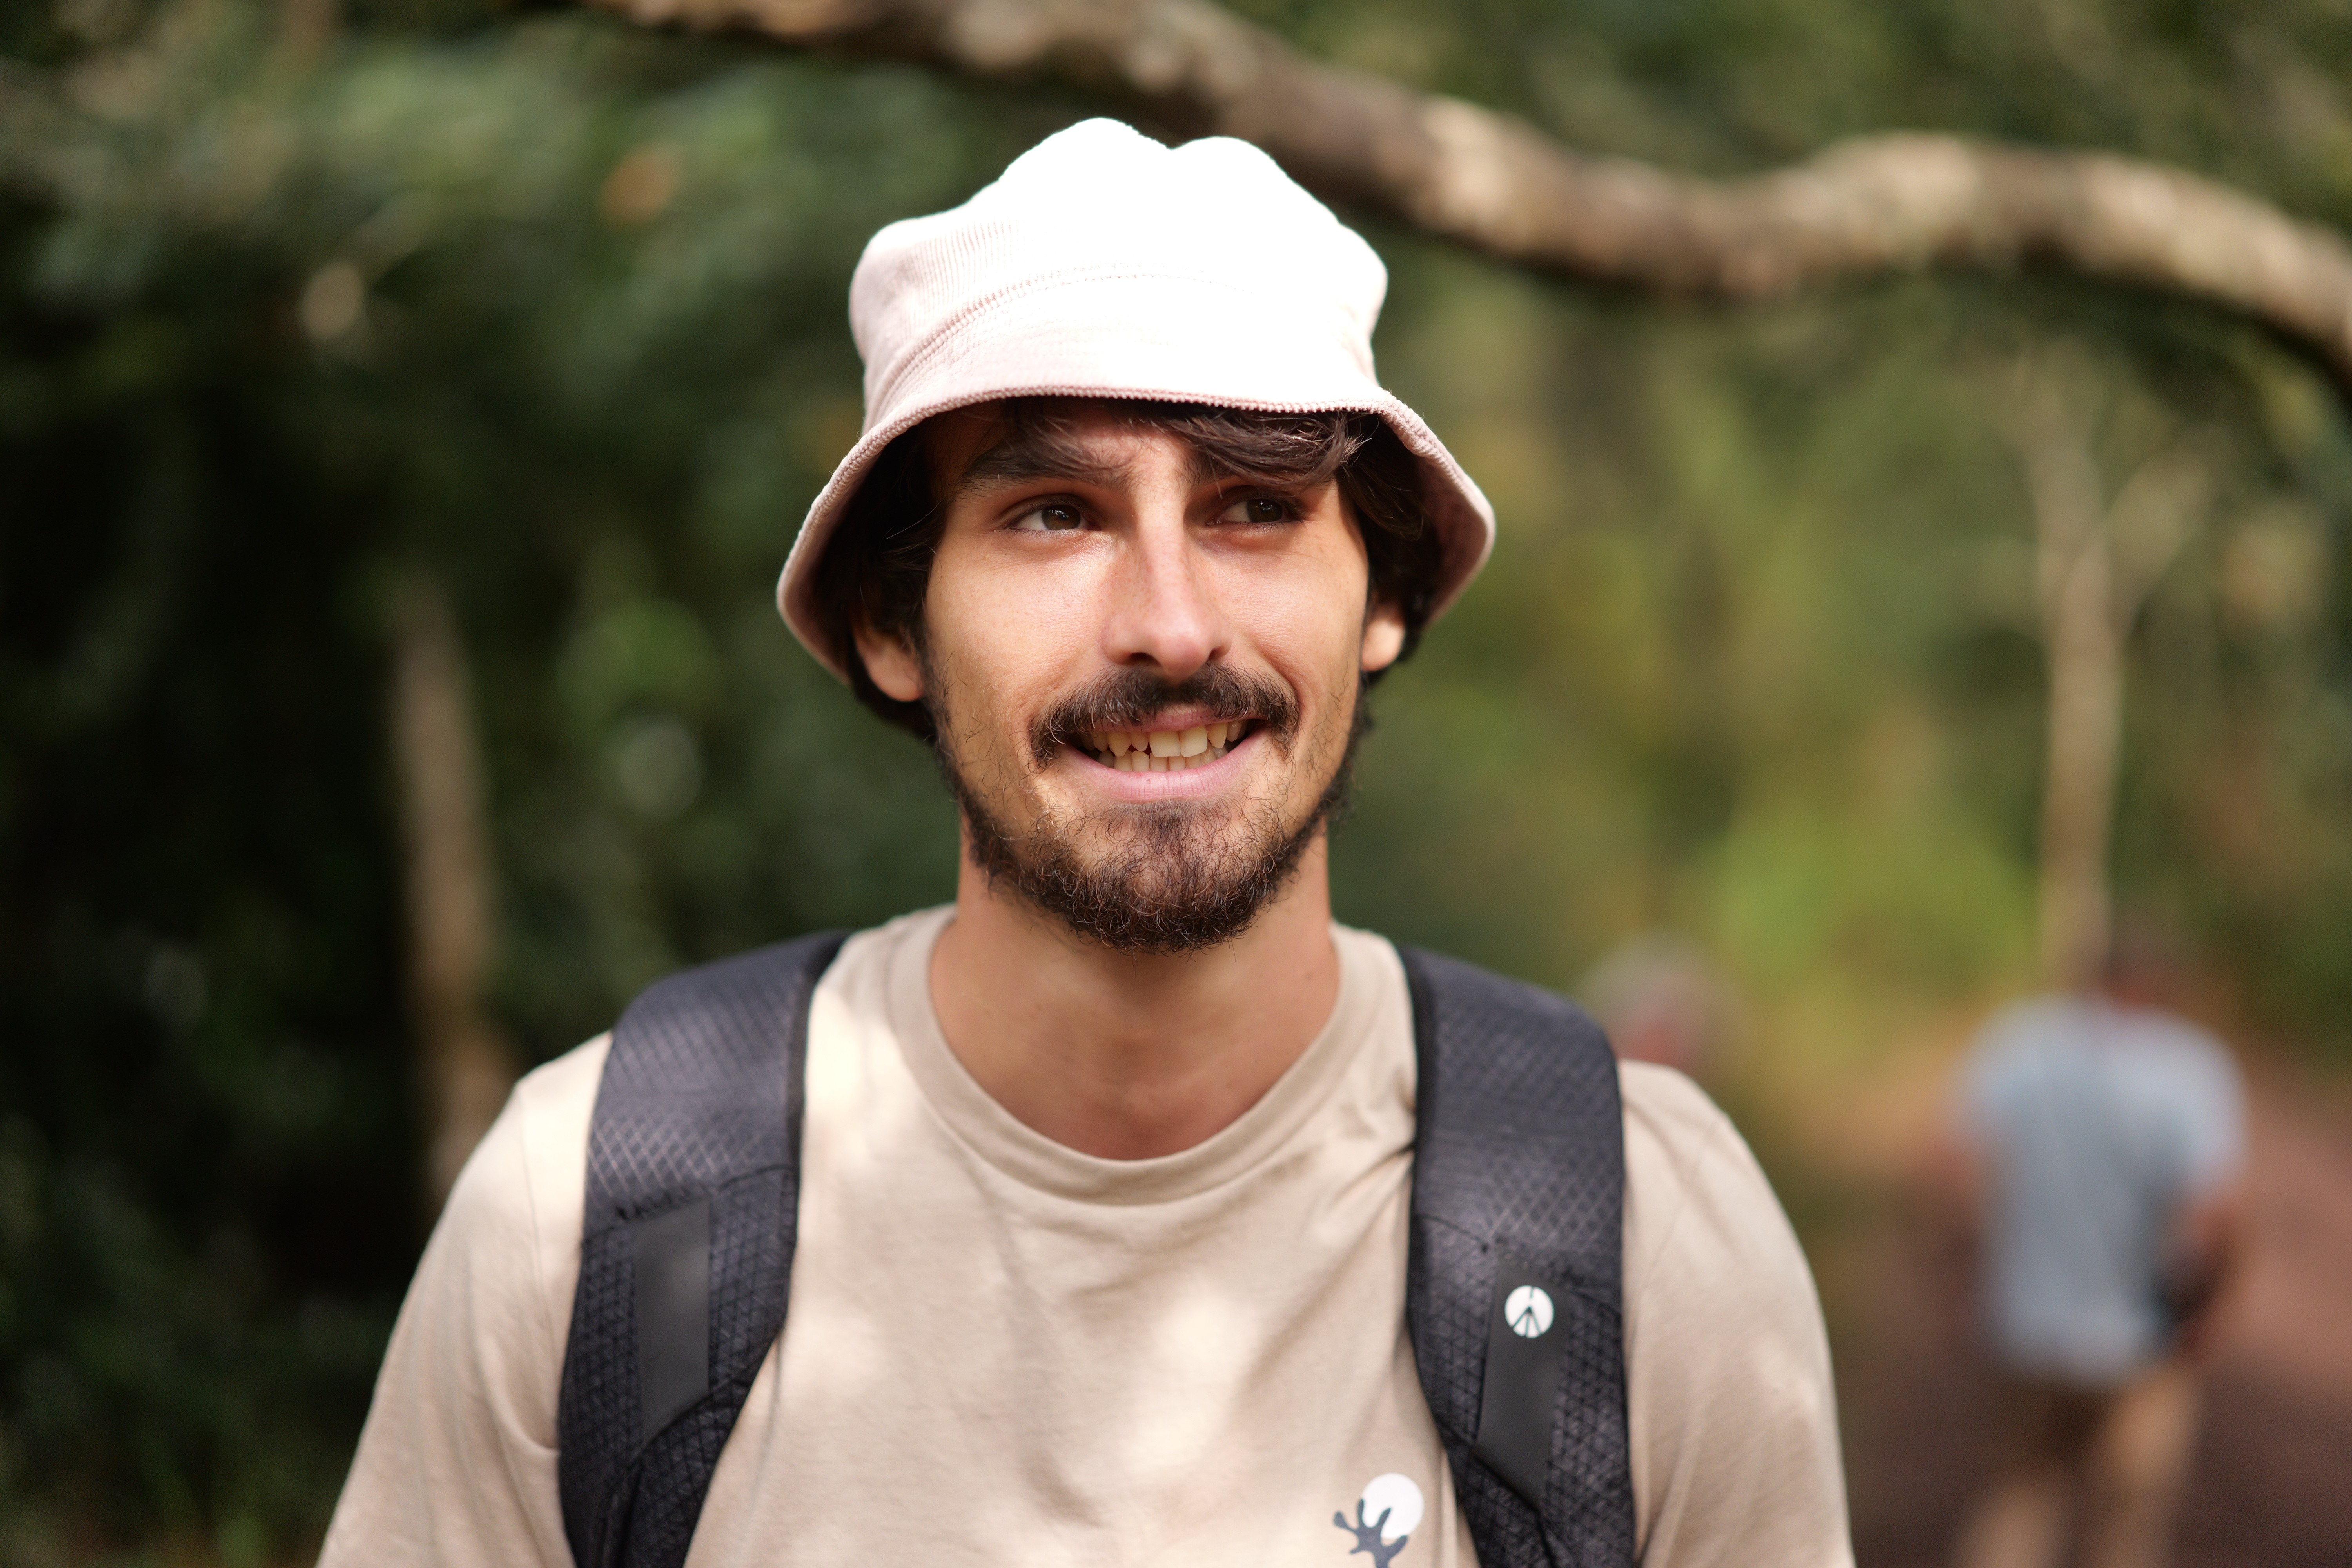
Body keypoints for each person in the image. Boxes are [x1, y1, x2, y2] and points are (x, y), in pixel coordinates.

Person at [319, 119, 1850, 1568]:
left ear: (1385, 596)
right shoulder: (589, 1216)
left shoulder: (1638, 1235)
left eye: (1256, 505)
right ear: (892, 621)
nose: (1171, 626)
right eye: (1055, 514)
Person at [1948, 927, 2246, 1568]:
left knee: (2019, 1499)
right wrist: (2209, 1309)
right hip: (2143, 1341)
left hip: (2030, 1330)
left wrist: (1969, 1266)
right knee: (2127, 1528)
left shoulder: (2022, 1043)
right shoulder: (2191, 1068)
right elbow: (2216, 1214)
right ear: (2163, 983)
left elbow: (1953, 1166)